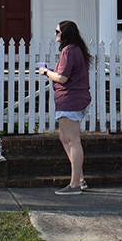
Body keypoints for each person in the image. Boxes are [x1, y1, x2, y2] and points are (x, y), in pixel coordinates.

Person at [38, 20, 92, 195]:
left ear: (65, 34)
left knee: (73, 140)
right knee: (64, 137)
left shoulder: (69, 50)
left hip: (70, 99)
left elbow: (62, 78)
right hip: (75, 98)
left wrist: (46, 72)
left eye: (57, 31)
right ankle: (80, 178)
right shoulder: (77, 50)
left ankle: (75, 184)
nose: (55, 35)